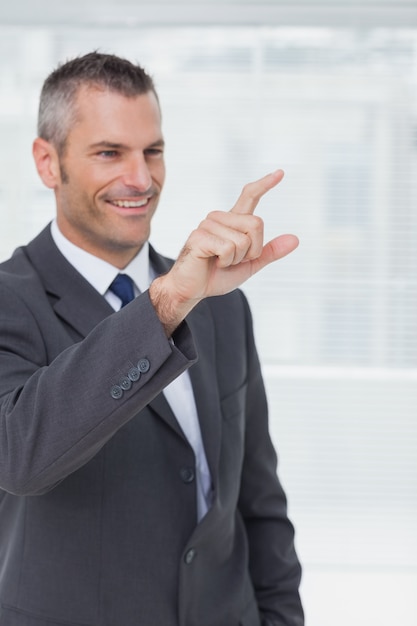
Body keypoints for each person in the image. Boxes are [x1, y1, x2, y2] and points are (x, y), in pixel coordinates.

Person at [0, 52, 304, 626]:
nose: (140, 179)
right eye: (109, 153)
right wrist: (163, 307)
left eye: (153, 151)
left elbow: (257, 502)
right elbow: (20, 455)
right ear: (48, 161)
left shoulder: (222, 304)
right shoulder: (11, 299)